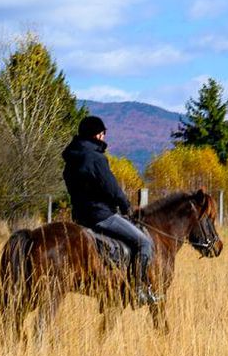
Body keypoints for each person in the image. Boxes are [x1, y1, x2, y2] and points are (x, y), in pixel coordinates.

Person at [62, 116, 161, 305]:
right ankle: (138, 289)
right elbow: (111, 188)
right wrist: (126, 207)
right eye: (103, 133)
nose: (104, 136)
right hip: (102, 215)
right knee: (144, 243)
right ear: (96, 134)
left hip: (80, 217)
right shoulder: (96, 158)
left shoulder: (71, 159)